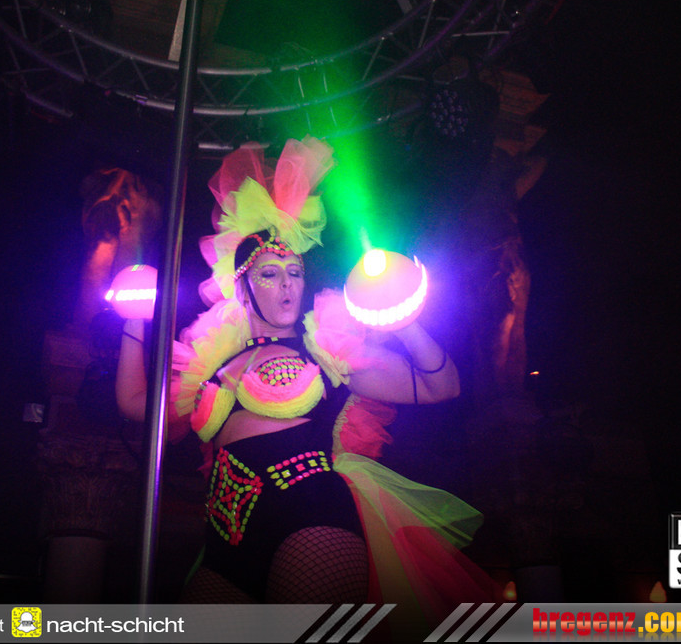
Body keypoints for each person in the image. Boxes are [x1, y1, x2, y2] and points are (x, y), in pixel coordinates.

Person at [116, 137, 494, 630]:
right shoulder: (210, 363)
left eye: (295, 272)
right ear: (243, 287)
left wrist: (402, 320)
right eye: (270, 274)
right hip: (225, 535)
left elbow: (442, 386)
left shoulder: (327, 349)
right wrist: (135, 317)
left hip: (310, 514)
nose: (288, 284)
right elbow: (136, 404)